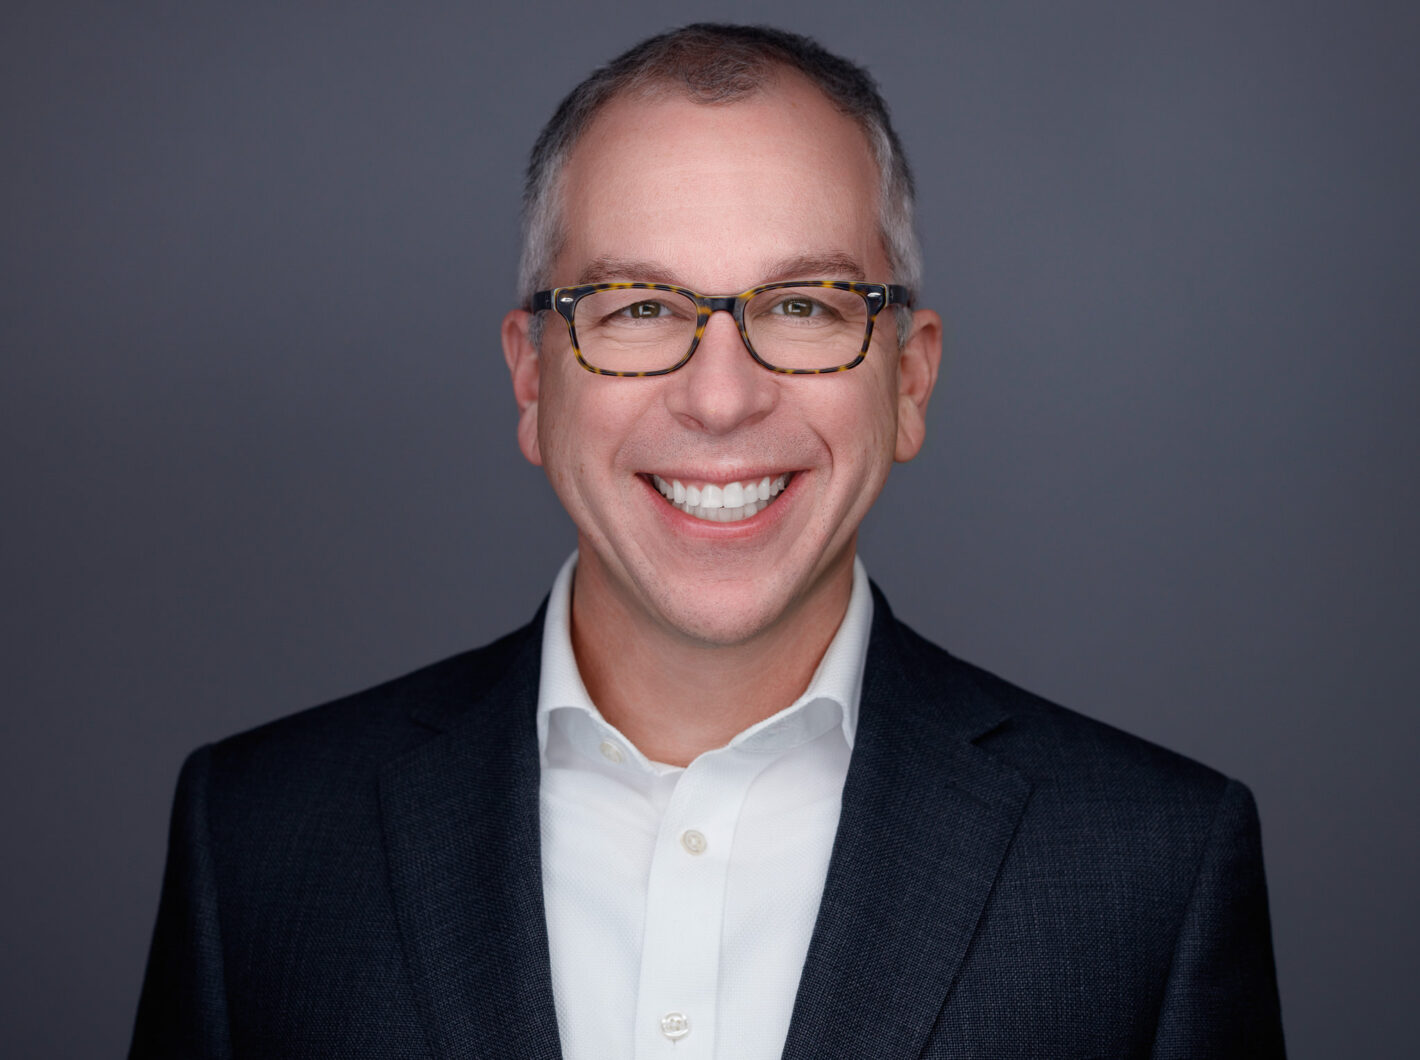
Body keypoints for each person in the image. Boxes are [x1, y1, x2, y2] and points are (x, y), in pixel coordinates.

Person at [130, 23, 1285, 1059]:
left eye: (803, 305)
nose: (720, 399)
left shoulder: (1149, 868)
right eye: (638, 307)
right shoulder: (261, 843)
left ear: (910, 378)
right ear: (533, 379)